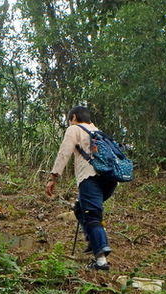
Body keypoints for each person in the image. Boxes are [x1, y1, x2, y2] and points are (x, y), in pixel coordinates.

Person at [46, 106, 118, 271]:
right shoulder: (97, 131)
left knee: (92, 216)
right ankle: (94, 241)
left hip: (90, 178)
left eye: (69, 119)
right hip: (110, 180)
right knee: (80, 209)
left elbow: (64, 152)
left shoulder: (74, 129)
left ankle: (101, 261)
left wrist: (53, 177)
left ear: (74, 117)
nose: (69, 122)